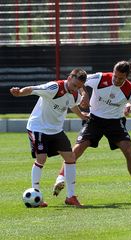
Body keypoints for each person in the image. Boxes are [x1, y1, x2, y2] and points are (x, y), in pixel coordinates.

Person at [53, 61, 131, 203]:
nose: (116, 80)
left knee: (128, 150)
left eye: (121, 78)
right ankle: (60, 179)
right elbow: (81, 81)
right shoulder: (100, 78)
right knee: (79, 147)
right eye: (115, 76)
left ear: (127, 77)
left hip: (115, 122)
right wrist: (84, 94)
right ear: (113, 71)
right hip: (94, 120)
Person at [10, 68, 89, 207]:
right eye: (74, 85)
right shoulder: (53, 87)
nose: (75, 88)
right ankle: (37, 196)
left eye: (79, 87)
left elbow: (72, 105)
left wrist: (82, 115)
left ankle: (70, 197)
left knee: (70, 158)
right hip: (38, 127)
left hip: (56, 130)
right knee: (41, 158)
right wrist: (19, 92)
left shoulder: (75, 95)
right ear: (69, 78)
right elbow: (32, 89)